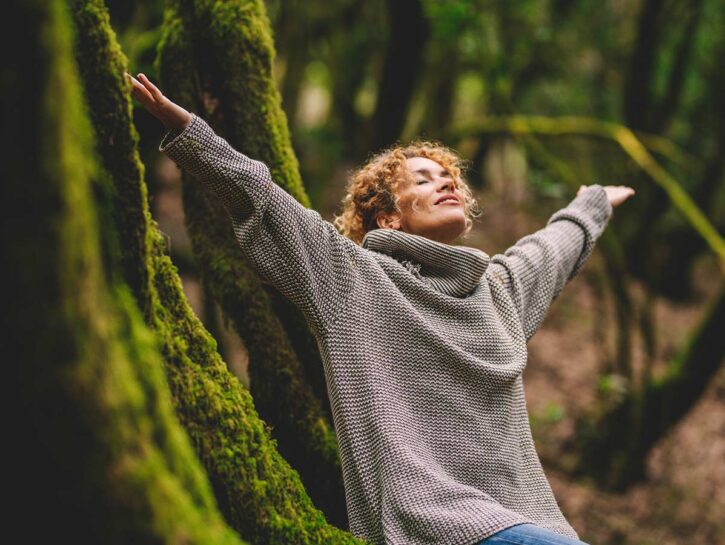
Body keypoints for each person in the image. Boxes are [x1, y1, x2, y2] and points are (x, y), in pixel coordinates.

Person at [129, 73, 635, 545]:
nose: (447, 183)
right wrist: (191, 132)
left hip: (532, 524)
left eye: (449, 177)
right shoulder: (352, 281)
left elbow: (549, 249)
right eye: (423, 179)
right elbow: (264, 201)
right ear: (388, 218)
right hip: (428, 526)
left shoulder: (497, 292)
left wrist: (593, 204)